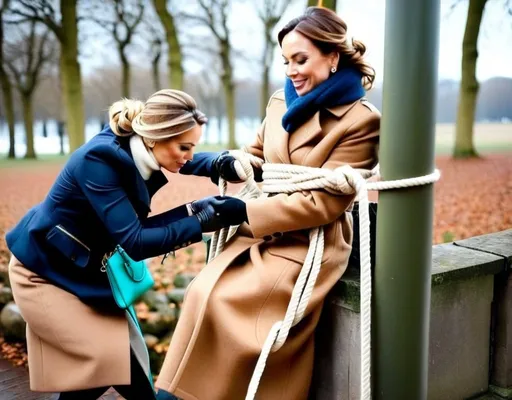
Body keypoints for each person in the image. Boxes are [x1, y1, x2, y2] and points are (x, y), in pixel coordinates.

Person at [155, 7, 380, 400]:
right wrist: (235, 161)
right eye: (286, 61)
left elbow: (325, 203)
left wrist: (244, 211)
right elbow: (257, 153)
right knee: (200, 291)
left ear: (332, 57)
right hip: (261, 228)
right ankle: (177, 393)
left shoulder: (361, 121)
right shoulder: (281, 102)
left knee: (231, 306)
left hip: (310, 241)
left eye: (301, 59)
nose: (292, 70)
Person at [6, 89, 249, 399]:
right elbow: (134, 240)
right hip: (43, 273)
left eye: (194, 147)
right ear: (153, 138)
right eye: (185, 147)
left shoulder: (142, 146)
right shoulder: (98, 160)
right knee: (108, 360)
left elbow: (182, 161)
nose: (189, 155)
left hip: (83, 271)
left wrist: (217, 163)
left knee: (118, 361)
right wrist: (202, 219)